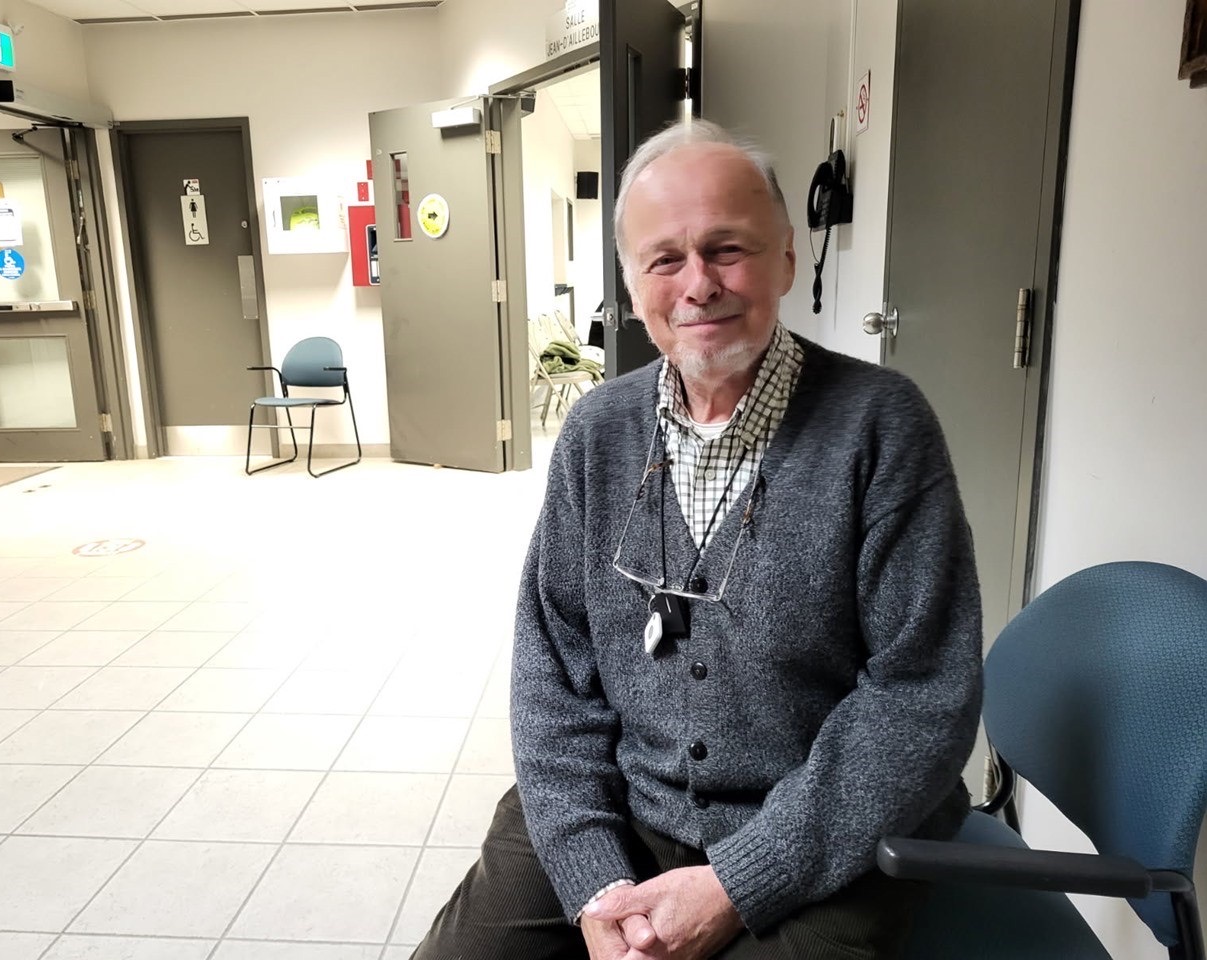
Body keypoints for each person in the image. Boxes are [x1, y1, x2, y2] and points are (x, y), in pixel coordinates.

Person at [412, 119, 983, 960]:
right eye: (665, 260)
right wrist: (595, 879)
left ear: (786, 258)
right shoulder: (597, 432)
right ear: (632, 286)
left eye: (728, 249)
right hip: (623, 802)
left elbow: (920, 694)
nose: (699, 285)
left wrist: (741, 880)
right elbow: (553, 672)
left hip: (823, 831)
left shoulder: (881, 425)